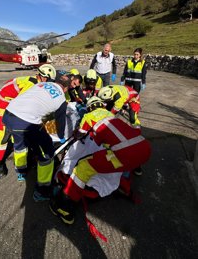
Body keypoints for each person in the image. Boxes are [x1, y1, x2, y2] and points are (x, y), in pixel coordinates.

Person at [49, 96, 151, 225]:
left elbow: (80, 134)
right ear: (102, 105)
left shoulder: (89, 116)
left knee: (83, 167)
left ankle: (64, 207)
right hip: (144, 148)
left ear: (89, 108)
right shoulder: (111, 115)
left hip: (125, 152)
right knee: (124, 164)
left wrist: (78, 133)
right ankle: (125, 187)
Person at [2, 74, 71, 201]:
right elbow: (60, 123)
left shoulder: (43, 84)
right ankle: (42, 191)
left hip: (8, 115)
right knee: (47, 154)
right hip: (24, 122)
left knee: (20, 145)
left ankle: (21, 172)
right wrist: (61, 137)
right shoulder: (61, 98)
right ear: (66, 89)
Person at [0, 64, 56, 179]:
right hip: (5, 101)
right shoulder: (32, 85)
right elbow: (20, 106)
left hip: (12, 99)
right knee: (3, 132)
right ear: (43, 77)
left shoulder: (39, 83)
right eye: (49, 80)